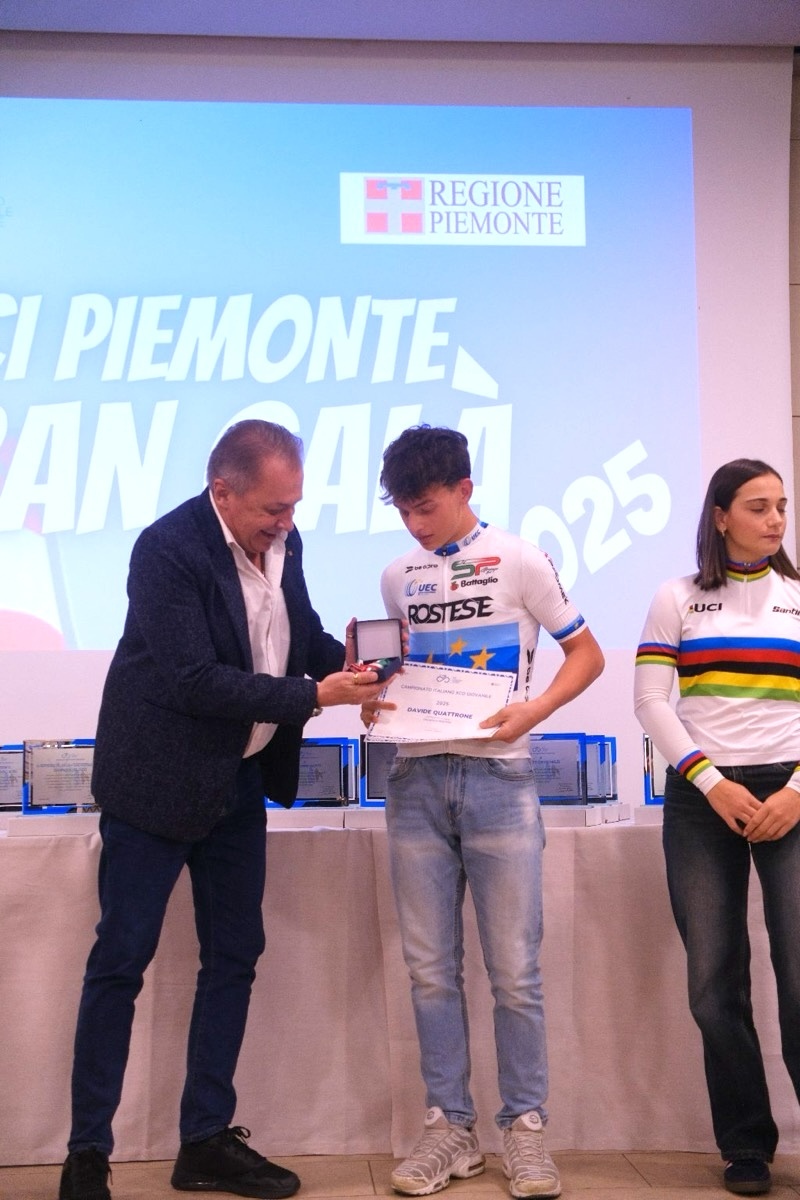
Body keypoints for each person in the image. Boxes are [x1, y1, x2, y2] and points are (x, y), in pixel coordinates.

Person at [59, 419, 383, 1200]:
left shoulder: (283, 542)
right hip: (154, 786)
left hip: (237, 784)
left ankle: (204, 1140)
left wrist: (355, 667)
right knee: (120, 962)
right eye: (273, 509)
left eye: (294, 506)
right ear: (222, 492)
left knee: (234, 956)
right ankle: (87, 1152)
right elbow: (194, 680)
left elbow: (295, 636)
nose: (286, 522)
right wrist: (317, 695)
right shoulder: (166, 550)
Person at [365, 426, 604, 1199]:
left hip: (500, 778)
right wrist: (376, 701)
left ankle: (525, 1129)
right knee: (430, 970)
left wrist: (532, 711)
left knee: (515, 972)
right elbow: (398, 673)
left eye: (426, 507)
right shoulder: (397, 577)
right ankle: (451, 1128)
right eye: (403, 510)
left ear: (465, 489)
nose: (415, 524)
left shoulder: (520, 558)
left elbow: (588, 654)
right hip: (415, 779)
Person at [634, 458, 800, 1197]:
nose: (775, 519)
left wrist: (796, 792)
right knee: (712, 984)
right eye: (758, 507)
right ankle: (746, 1145)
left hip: (793, 794)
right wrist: (711, 782)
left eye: (782, 506)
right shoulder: (676, 597)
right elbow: (650, 701)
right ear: (722, 516)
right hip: (703, 799)